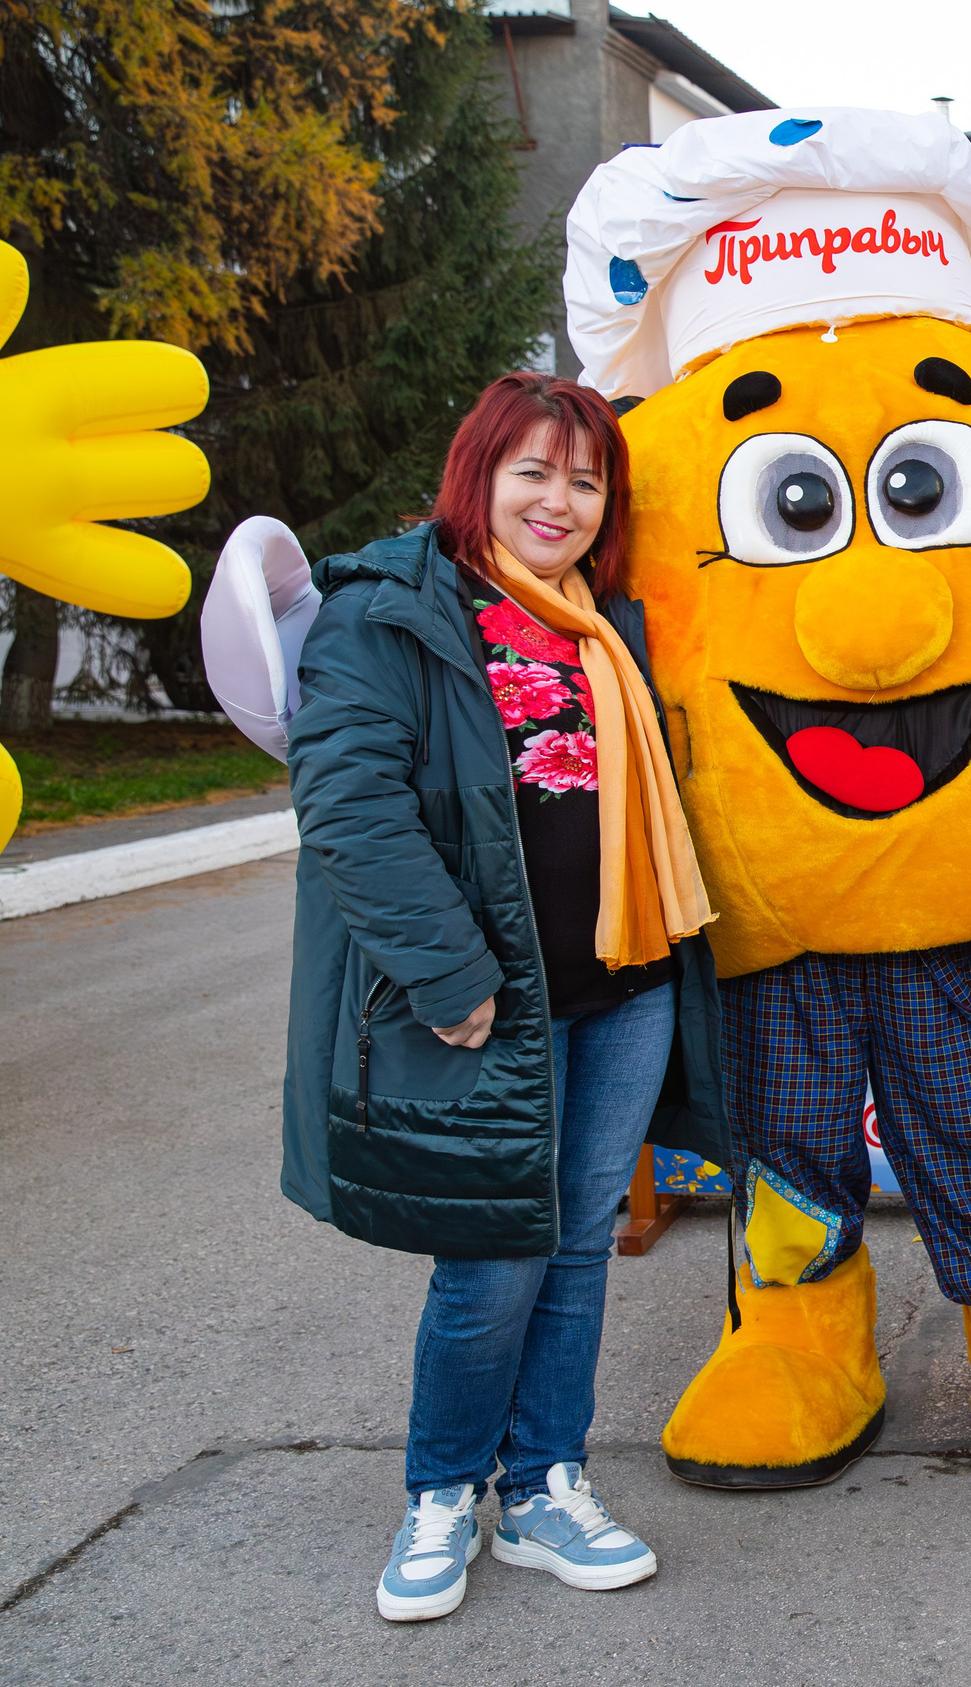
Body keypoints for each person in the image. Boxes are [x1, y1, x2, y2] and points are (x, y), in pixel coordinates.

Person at [282, 372, 724, 1621]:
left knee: (578, 1242)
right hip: (487, 997)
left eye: (585, 481)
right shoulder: (388, 612)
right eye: (533, 470)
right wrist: (447, 970)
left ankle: (541, 1486)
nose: (560, 501)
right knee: (490, 1254)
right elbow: (350, 804)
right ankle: (438, 1494)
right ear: (477, 473)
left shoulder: (606, 622)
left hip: (625, 984)